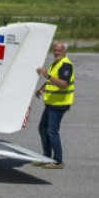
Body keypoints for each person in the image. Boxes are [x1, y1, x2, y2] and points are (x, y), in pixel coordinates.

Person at [34, 41, 75, 169]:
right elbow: (51, 80)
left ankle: (58, 161)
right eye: (55, 50)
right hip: (51, 103)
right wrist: (42, 89)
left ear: (64, 52)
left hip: (59, 104)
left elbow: (63, 83)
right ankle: (46, 156)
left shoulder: (66, 65)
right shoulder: (55, 64)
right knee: (42, 128)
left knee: (52, 131)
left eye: (59, 50)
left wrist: (47, 75)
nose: (56, 52)